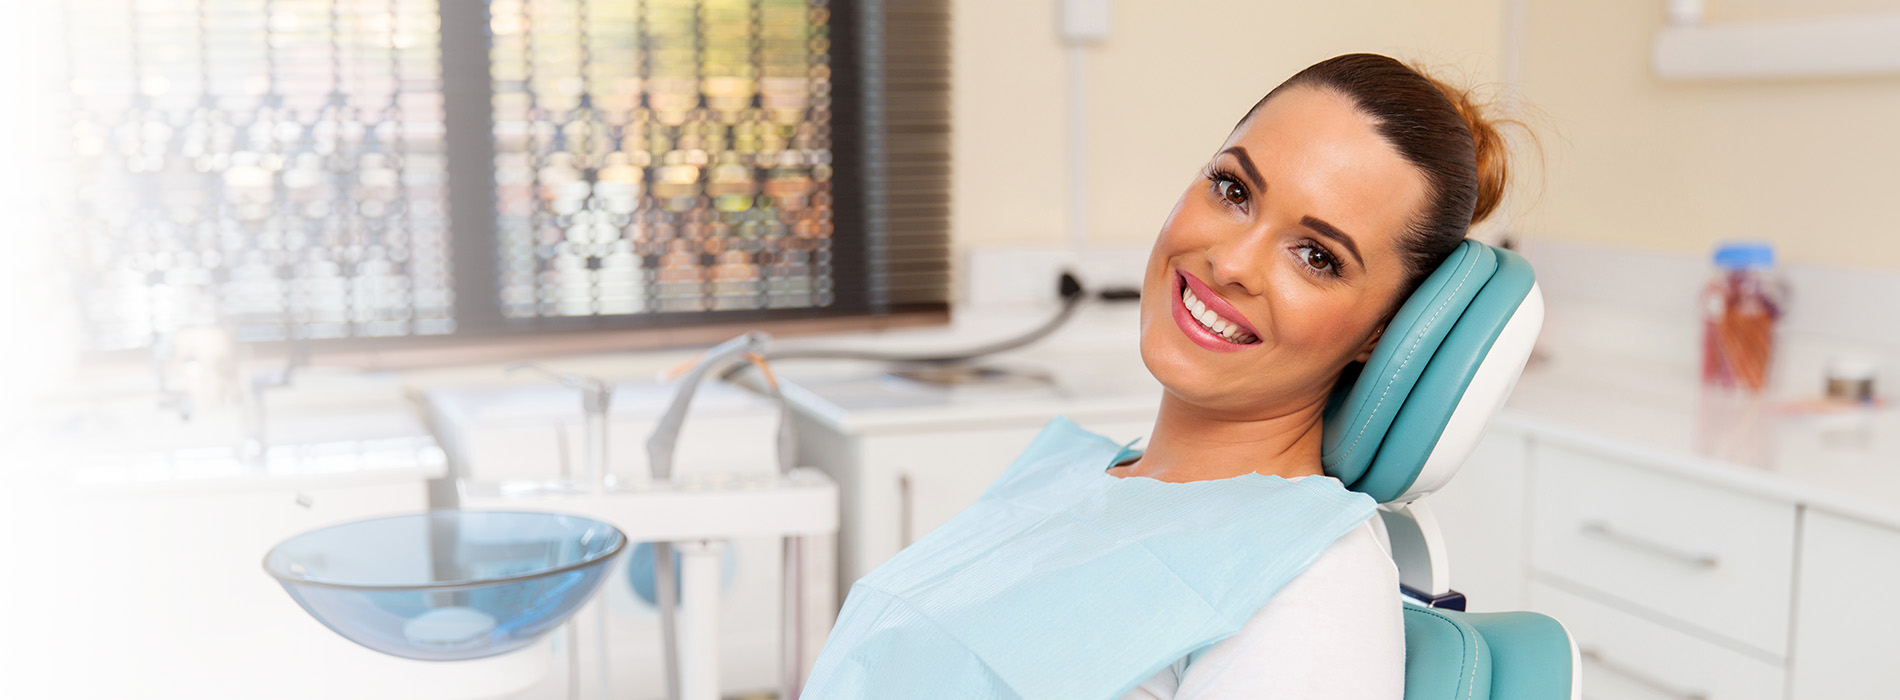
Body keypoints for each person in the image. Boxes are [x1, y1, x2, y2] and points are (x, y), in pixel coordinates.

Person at [803, 52, 1515, 700]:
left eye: (1316, 256)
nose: (1231, 262)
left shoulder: (1312, 585)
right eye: (1233, 189)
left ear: (1382, 332)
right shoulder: (1071, 478)